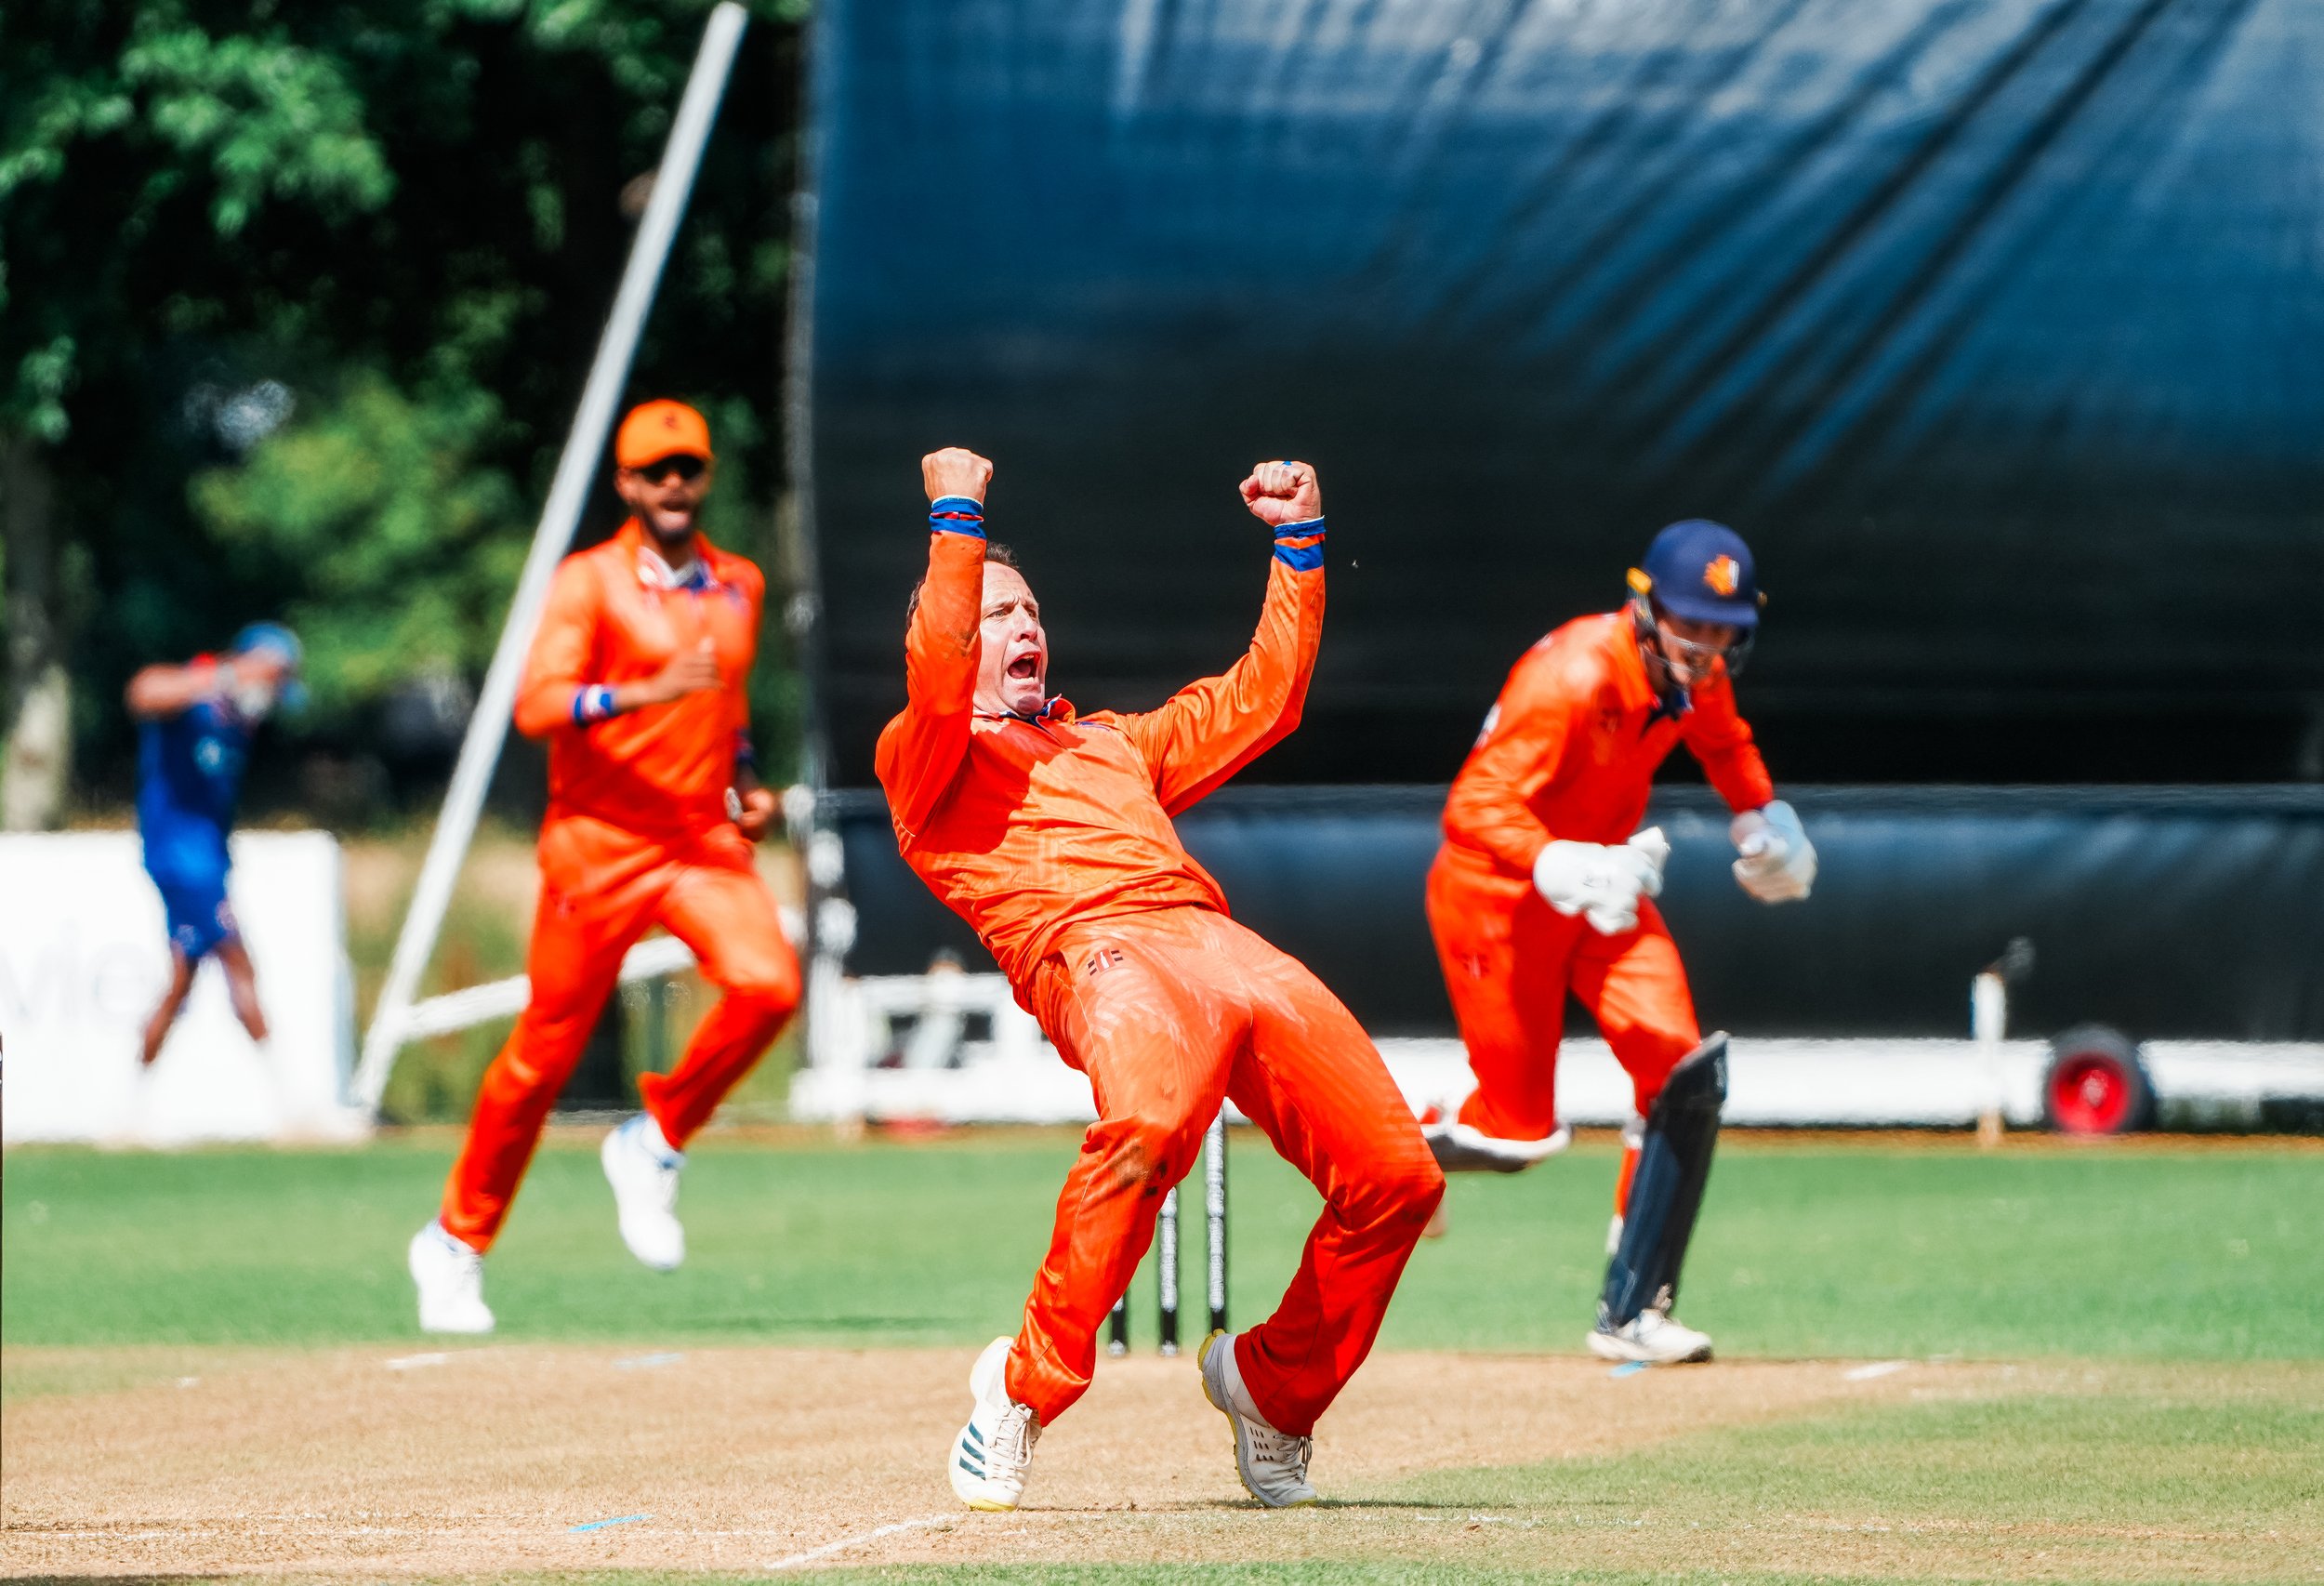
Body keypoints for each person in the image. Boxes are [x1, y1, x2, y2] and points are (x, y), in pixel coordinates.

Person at [878, 448, 1443, 1513]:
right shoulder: (926, 756)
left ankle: (1273, 1387)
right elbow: (941, 659)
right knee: (1148, 1127)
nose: (1023, 625)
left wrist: (1300, 542)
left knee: (1398, 1176)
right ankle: (1018, 1386)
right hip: (1095, 948)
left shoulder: (1112, 745)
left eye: (1032, 607)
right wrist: (957, 518)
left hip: (1212, 940)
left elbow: (1262, 699)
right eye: (998, 612)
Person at [408, 399, 799, 1334]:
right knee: (540, 1058)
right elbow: (536, 704)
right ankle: (454, 1243)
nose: (673, 485)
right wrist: (640, 691)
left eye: (688, 468)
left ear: (704, 479)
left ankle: (654, 1137)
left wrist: (746, 778)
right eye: (654, 470)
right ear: (625, 484)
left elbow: (728, 707)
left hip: (700, 843)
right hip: (598, 846)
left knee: (770, 983)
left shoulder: (738, 582)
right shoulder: (589, 581)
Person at [1423, 520, 1816, 1365]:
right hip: (1500, 897)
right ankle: (1402, 1150)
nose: (1708, 648)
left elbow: (1725, 744)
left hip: (1607, 893)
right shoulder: (1574, 673)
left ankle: (1633, 1308)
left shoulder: (1695, 677)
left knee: (1681, 1070)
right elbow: (1473, 807)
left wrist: (1764, 820)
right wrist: (1556, 860)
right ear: (1645, 606)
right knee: (1516, 1135)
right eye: (1693, 626)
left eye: (1724, 632)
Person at [125, 623, 305, 1068]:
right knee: (238, 961)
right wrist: (224, 677)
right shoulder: (198, 699)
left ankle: (128, 1107)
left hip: (209, 859)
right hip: (180, 859)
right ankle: (295, 1102)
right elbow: (143, 693)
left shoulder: (238, 723)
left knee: (181, 982)